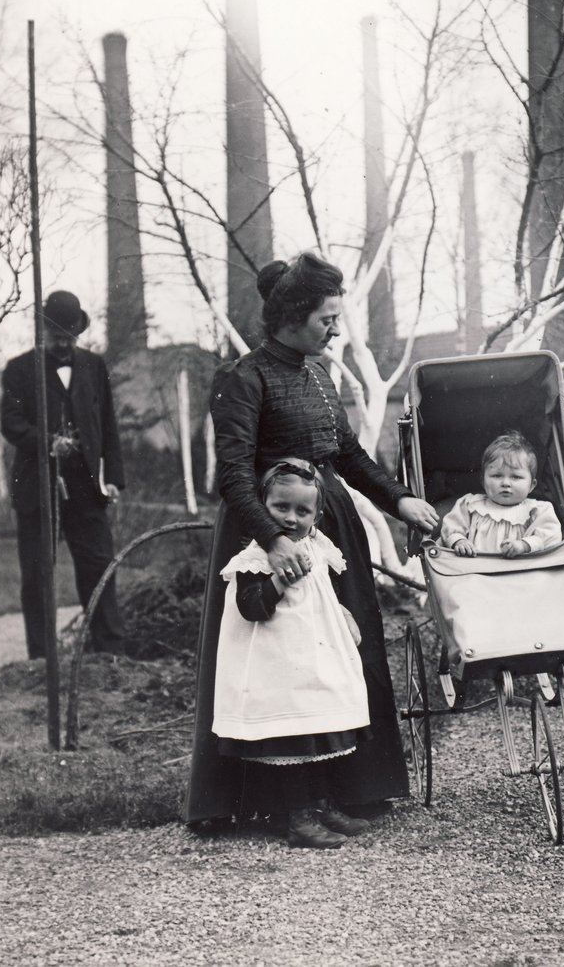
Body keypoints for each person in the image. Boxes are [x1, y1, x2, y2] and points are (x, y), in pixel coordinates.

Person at [184, 252, 439, 829]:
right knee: (283, 666)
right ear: (293, 315)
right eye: (327, 317)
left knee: (341, 655)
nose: (335, 328)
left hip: (330, 531)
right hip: (268, 530)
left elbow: (346, 455)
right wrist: (273, 540)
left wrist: (399, 500)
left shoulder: (320, 375)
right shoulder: (243, 378)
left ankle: (345, 789)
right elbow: (233, 474)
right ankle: (276, 803)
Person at [213, 459, 373, 849]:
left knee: (317, 732)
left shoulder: (316, 546)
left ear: (316, 514)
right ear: (262, 508)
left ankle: (321, 804)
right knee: (292, 738)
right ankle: (298, 817)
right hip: (278, 663)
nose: (291, 518)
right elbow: (252, 608)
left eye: (302, 511)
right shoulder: (255, 559)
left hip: (312, 659)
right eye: (280, 508)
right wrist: (277, 583)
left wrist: (341, 615)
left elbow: (321, 591)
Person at [0, 290, 126, 658]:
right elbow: (11, 423)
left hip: (87, 488)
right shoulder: (19, 369)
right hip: (37, 487)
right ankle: (42, 658)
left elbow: (107, 426)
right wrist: (46, 443)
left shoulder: (94, 365)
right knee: (38, 575)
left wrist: (114, 477)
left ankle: (110, 653)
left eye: (70, 337)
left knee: (99, 566)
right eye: (57, 337)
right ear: (43, 330)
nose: (64, 344)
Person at [440, 430, 563, 557]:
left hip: (522, 571)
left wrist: (525, 545)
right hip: (474, 568)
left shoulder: (538, 510)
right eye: (497, 475)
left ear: (531, 485)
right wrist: (459, 540)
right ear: (483, 480)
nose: (505, 483)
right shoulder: (470, 505)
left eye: (515, 477)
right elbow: (451, 527)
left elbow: (551, 536)